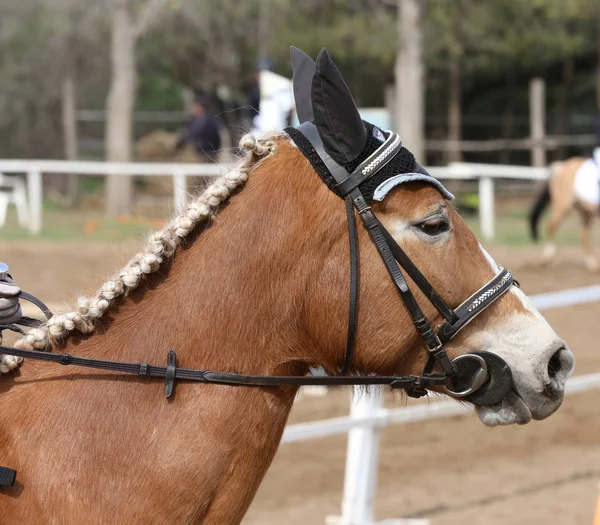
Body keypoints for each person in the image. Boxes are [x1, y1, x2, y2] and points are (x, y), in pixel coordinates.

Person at [175, 91, 221, 160]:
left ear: (199, 107)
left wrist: (180, 143)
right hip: (212, 151)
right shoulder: (211, 118)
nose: (193, 109)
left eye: (194, 107)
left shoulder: (202, 120)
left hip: (204, 152)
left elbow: (192, 133)